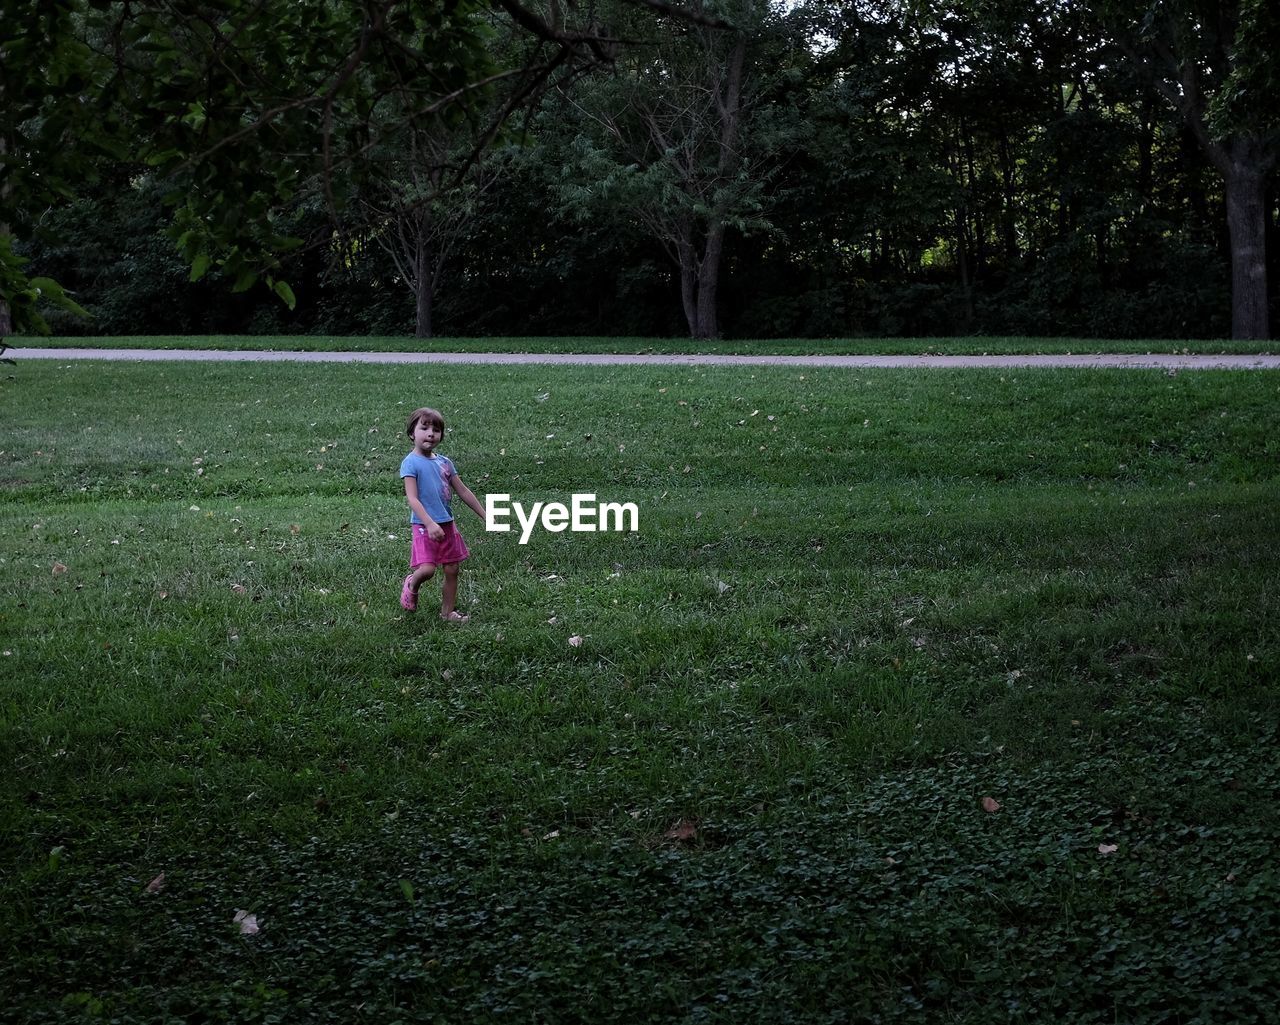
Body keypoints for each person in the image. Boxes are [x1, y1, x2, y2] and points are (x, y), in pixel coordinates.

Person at [398, 406, 486, 621]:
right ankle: (412, 583)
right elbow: (412, 498)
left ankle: (447, 613)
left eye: (436, 430)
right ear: (412, 433)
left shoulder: (445, 463)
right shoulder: (410, 463)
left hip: (447, 524)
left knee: (452, 569)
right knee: (427, 570)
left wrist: (485, 515)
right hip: (423, 525)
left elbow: (463, 490)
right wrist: (429, 523)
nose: (430, 433)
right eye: (424, 428)